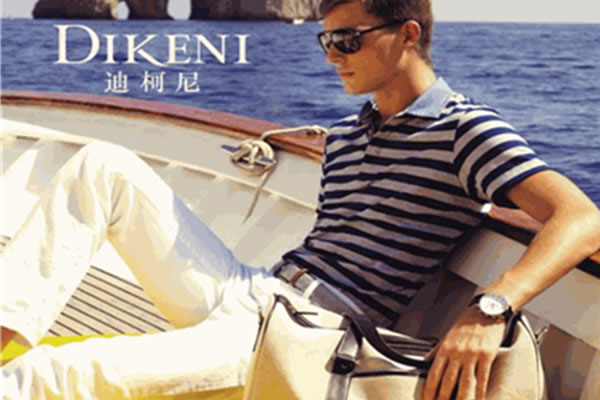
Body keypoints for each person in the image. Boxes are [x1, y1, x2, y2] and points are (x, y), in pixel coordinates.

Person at [2, 0, 599, 399]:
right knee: (103, 165)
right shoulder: (347, 135)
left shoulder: (464, 130)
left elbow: (581, 218)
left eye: (347, 40)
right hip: (256, 290)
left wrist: (490, 309)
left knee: (56, 372)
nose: (332, 55)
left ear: (408, 35)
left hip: (309, 336)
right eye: (325, 40)